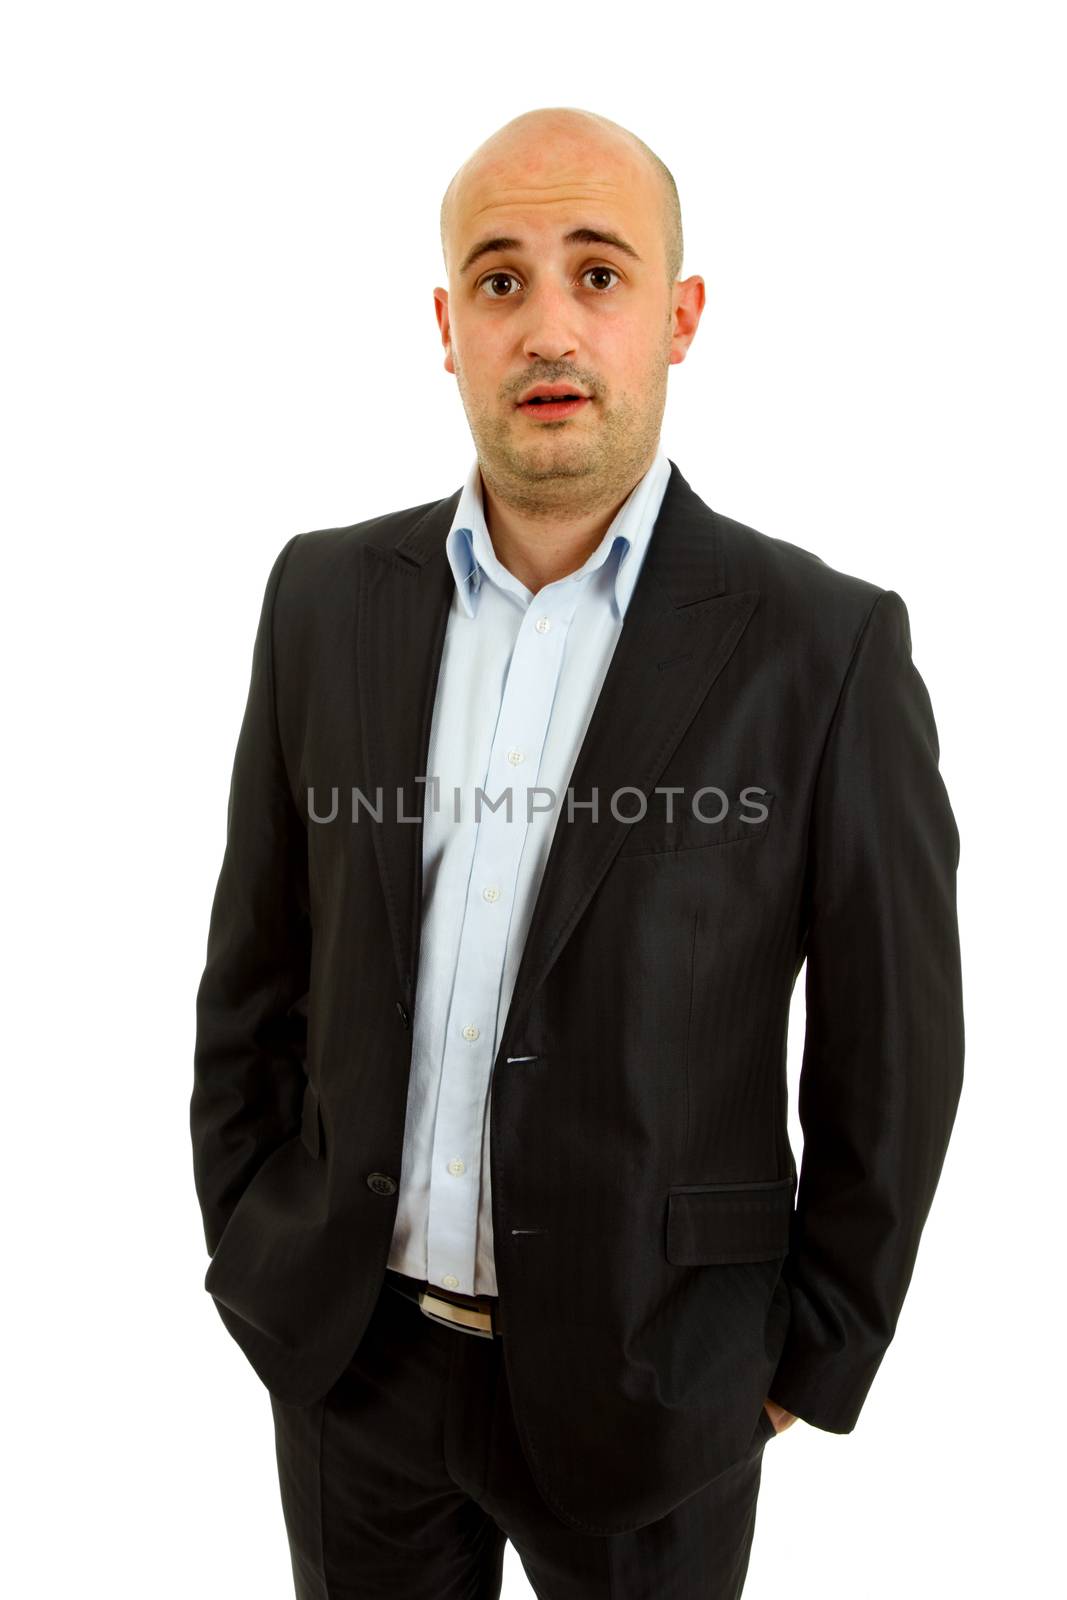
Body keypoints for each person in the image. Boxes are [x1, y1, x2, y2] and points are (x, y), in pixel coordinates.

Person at [190, 105, 965, 1599]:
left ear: (678, 317)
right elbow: (257, 965)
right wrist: (255, 1239)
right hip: (356, 1368)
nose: (548, 323)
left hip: (660, 1383)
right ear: (447, 327)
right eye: (500, 280)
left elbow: (896, 1049)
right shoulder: (322, 598)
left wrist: (803, 1359)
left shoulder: (825, 647)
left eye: (598, 273)